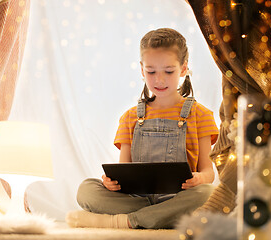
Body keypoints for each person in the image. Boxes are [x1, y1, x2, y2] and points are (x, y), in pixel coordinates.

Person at [65, 28, 219, 229]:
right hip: (137, 199)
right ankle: (157, 216)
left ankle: (124, 221)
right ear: (141, 70)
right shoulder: (130, 117)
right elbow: (124, 171)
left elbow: (209, 173)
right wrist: (111, 183)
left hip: (180, 196)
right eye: (151, 71)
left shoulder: (201, 115)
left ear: (183, 69)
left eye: (169, 71)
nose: (159, 79)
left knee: (208, 193)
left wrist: (200, 178)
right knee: (86, 189)